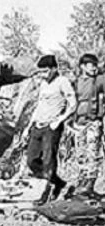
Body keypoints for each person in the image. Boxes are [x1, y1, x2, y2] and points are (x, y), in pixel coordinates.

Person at [25, 54, 77, 199]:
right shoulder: (43, 84)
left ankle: (48, 192)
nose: (42, 75)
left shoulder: (62, 82)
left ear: (54, 69)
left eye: (45, 71)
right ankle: (58, 182)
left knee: (48, 160)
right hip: (38, 125)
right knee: (31, 160)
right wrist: (28, 126)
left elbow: (73, 104)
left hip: (51, 127)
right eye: (40, 72)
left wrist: (59, 120)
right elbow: (39, 106)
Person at [68, 53, 105, 197]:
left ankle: (90, 183)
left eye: (96, 65)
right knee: (80, 153)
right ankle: (82, 182)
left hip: (93, 122)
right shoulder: (77, 82)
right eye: (91, 65)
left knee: (92, 153)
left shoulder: (99, 80)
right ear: (83, 66)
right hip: (78, 123)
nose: (94, 68)